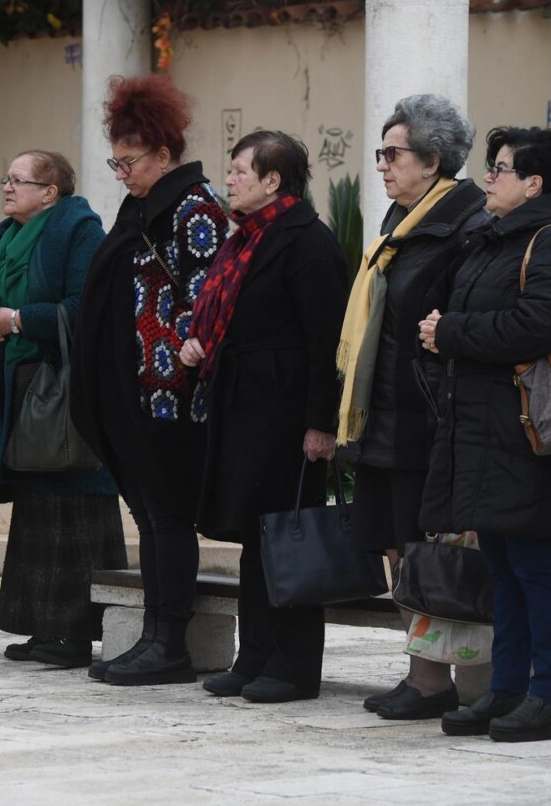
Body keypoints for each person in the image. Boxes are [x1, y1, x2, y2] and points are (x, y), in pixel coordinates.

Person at [420, 127, 551, 742]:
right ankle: (508, 688)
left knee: (535, 562)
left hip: (529, 431)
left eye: (500, 169)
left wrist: (453, 331)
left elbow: (536, 323)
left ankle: (550, 697)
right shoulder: (493, 238)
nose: (488, 178)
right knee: (502, 563)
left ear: (533, 184)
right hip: (486, 428)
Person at [71, 75, 230, 685]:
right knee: (150, 516)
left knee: (167, 517)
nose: (121, 172)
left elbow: (206, 299)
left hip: (169, 398)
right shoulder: (140, 207)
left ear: (164, 155)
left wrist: (177, 359)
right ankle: (154, 636)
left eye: (129, 161)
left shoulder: (195, 208)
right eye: (116, 161)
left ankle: (169, 642)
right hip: (128, 391)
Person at [178, 131, 347, 703]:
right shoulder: (244, 239)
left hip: (286, 417)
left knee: (287, 538)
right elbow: (226, 318)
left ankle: (294, 666)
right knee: (258, 538)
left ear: (273, 181)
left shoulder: (306, 243)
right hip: (243, 409)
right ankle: (254, 657)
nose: (229, 180)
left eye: (240, 171)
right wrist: (199, 345)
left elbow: (327, 342)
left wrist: (321, 423)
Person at [335, 94, 489, 719]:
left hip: (426, 417)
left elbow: (452, 326)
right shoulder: (398, 226)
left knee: (431, 548)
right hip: (383, 414)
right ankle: (423, 674)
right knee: (395, 547)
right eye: (381, 153)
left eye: (393, 154)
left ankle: (451, 679)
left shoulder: (462, 227)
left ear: (431, 161)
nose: (382, 165)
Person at [0, 150, 126, 668]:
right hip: (18, 385)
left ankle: (74, 633)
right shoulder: (8, 237)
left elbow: (86, 307)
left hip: (64, 392)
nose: (7, 187)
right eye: (6, 178)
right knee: (37, 506)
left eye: (19, 180)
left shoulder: (79, 231)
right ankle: (41, 626)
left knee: (71, 501)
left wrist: (17, 321)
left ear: (51, 192)